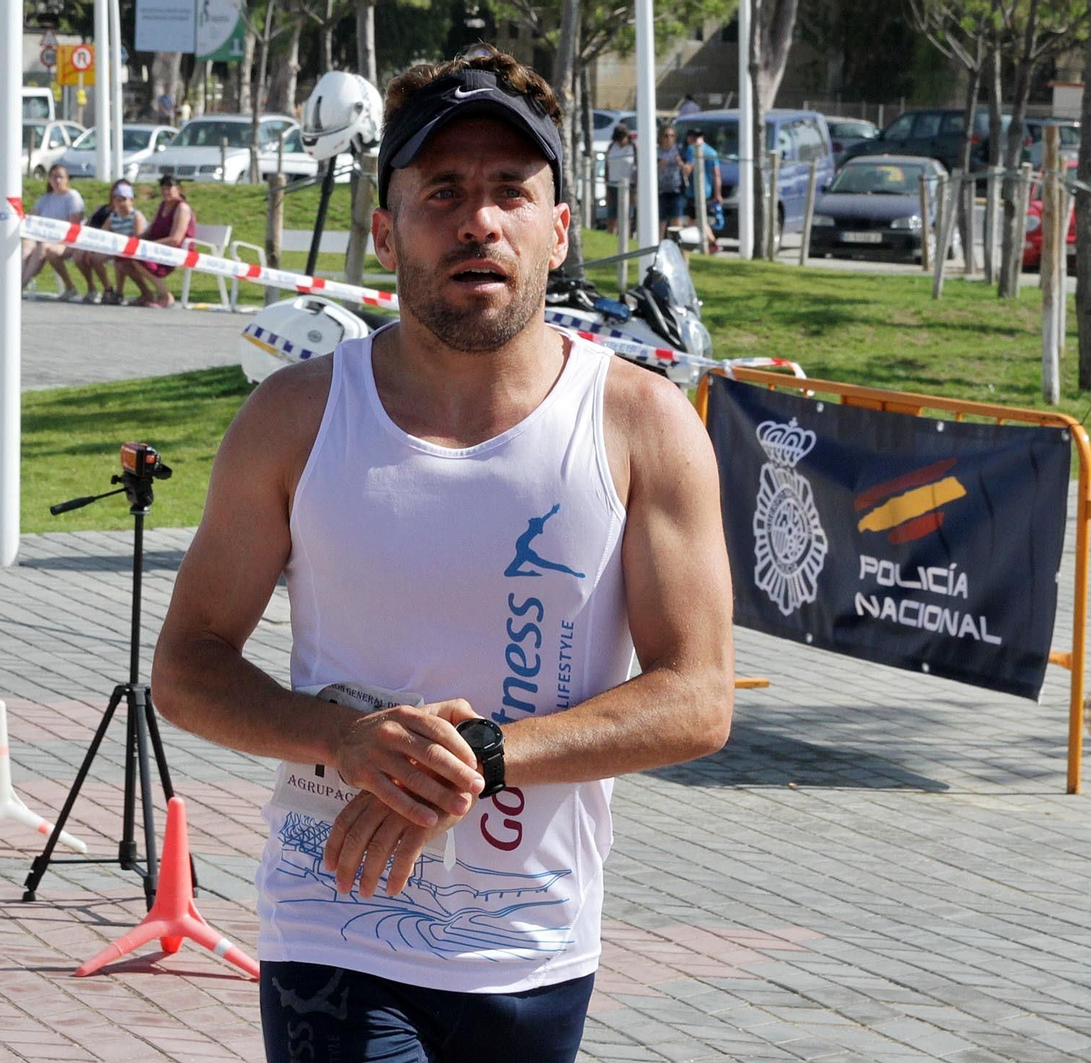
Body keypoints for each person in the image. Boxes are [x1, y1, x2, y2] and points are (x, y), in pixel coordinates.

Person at [152, 48, 734, 1063]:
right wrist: (343, 742)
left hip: (536, 939)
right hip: (335, 917)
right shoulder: (296, 418)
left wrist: (480, 758)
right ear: (385, 230)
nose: (480, 221)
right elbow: (188, 665)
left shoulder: (643, 425)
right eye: (443, 192)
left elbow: (697, 698)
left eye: (512, 191)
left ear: (558, 231)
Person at [116, 174, 195, 308]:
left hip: (176, 251)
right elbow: (150, 230)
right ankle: (146, 293)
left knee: (138, 257)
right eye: (163, 188)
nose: (165, 192)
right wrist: (135, 241)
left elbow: (175, 239)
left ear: (178, 190)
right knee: (122, 258)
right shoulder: (163, 205)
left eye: (169, 188)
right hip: (158, 246)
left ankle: (166, 296)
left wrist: (148, 246)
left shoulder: (182, 208)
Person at [21, 164, 85, 300]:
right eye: (54, 177)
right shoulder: (45, 199)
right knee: (26, 245)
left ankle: (21, 285)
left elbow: (74, 225)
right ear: (49, 179)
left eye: (61, 177)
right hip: (41, 238)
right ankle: (15, 282)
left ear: (67, 179)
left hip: (65, 241)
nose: (57, 180)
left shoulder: (73, 197)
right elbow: (32, 220)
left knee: (44, 247)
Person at [683, 127, 722, 254]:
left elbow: (689, 167)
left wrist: (682, 170)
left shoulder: (691, 149)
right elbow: (717, 175)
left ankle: (711, 242)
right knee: (693, 220)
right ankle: (694, 245)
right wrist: (718, 194)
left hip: (694, 191)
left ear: (690, 137)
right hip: (708, 191)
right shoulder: (712, 152)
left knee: (697, 220)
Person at [655, 124, 689, 240]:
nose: (669, 138)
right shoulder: (656, 152)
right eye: (666, 136)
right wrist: (659, 166)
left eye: (672, 136)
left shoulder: (679, 151)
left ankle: (678, 250)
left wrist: (680, 163)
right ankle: (658, 250)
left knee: (677, 223)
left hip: (676, 191)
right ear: (660, 137)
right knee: (661, 223)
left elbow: (687, 170)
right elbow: (648, 172)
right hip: (661, 192)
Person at [604, 122, 635, 235]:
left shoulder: (633, 147)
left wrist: (635, 189)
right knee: (612, 214)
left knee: (627, 214)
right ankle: (611, 235)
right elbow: (606, 169)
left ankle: (626, 236)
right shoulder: (612, 147)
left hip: (628, 185)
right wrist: (606, 188)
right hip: (612, 184)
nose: (621, 140)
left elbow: (637, 167)